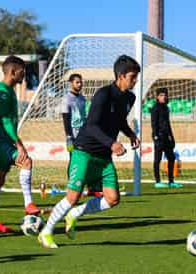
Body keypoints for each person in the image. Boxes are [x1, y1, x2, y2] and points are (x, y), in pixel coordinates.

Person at [38, 55, 141, 248]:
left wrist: (130, 134)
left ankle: (75, 214)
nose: (135, 81)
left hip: (103, 156)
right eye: (132, 77)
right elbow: (92, 126)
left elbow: (119, 121)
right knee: (73, 196)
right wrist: (112, 143)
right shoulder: (103, 94)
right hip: (84, 151)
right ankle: (46, 232)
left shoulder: (130, 97)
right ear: (120, 76)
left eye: (136, 77)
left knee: (112, 199)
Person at [0, 55, 40, 233]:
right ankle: (28, 204)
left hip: (1, 139)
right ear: (13, 71)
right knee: (26, 161)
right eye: (22, 71)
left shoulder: (7, 90)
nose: (24, 75)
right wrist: (19, 145)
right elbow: (7, 122)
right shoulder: (2, 92)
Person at [151, 88, 182, 188]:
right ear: (157, 97)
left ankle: (171, 181)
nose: (163, 97)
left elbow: (168, 124)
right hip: (159, 137)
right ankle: (157, 181)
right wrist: (156, 136)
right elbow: (153, 124)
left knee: (171, 158)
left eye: (165, 95)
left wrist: (172, 138)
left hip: (166, 137)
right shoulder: (155, 108)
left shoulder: (166, 108)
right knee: (157, 159)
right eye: (161, 95)